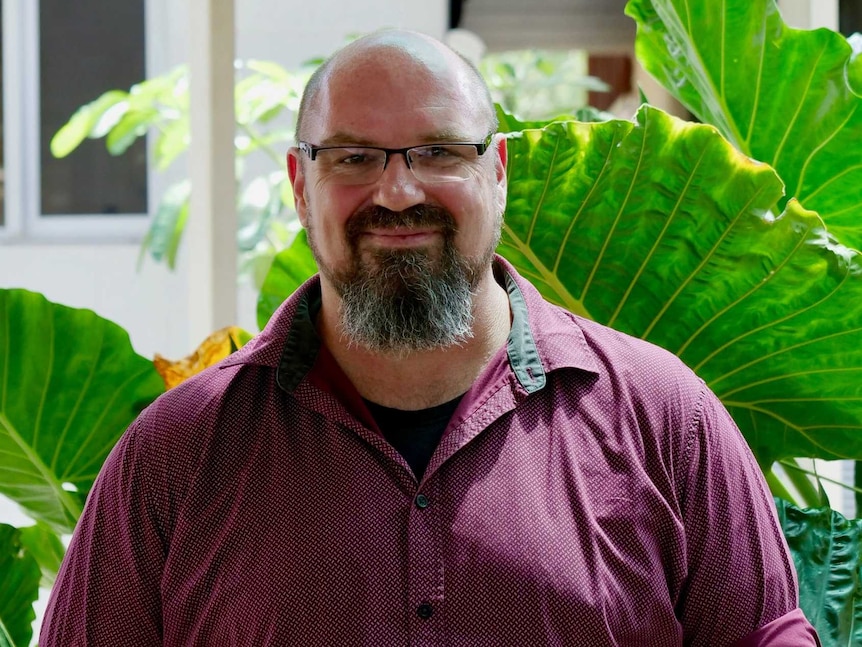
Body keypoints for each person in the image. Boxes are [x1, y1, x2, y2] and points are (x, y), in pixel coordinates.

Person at [41, 29, 820, 646]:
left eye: (439, 152)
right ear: (299, 184)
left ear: (499, 172)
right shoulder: (176, 457)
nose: (399, 190)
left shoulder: (665, 419)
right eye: (354, 157)